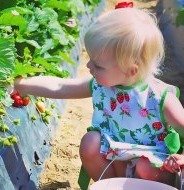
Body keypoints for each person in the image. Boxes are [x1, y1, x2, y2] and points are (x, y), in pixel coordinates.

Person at [10, 4, 184, 188]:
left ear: (131, 70)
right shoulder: (102, 86)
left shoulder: (159, 98)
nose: (89, 67)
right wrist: (20, 85)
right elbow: (60, 86)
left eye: (98, 65)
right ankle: (109, 184)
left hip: (151, 167)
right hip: (116, 160)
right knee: (90, 143)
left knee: (145, 166)